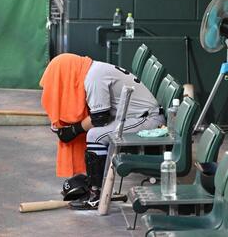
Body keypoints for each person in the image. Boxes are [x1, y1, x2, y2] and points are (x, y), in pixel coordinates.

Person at [40, 53, 161, 209]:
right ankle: (96, 185)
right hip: (134, 117)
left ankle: (96, 194)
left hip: (147, 120)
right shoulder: (92, 69)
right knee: (95, 133)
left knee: (95, 135)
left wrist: (73, 130)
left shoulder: (93, 78)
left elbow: (99, 117)